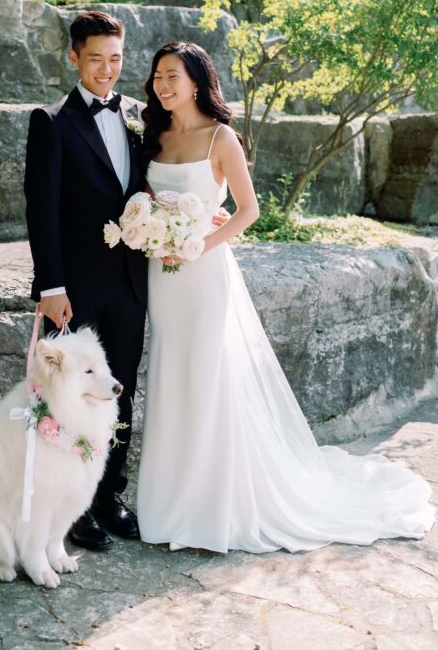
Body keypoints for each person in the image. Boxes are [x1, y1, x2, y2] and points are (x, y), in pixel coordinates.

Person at [137, 40, 435, 553]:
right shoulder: (155, 133)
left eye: (173, 76)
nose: (163, 85)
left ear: (195, 80)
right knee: (170, 370)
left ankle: (213, 504)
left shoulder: (220, 137)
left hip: (203, 272)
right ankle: (169, 499)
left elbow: (246, 210)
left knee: (207, 376)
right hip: (161, 277)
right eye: (157, 77)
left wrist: (196, 245)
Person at [24, 9, 147, 551]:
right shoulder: (50, 121)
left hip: (130, 285)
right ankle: (68, 505)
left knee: (119, 392)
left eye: (115, 59)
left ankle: (106, 494)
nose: (106, 69)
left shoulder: (143, 116)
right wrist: (51, 287)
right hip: (72, 289)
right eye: (95, 58)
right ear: (73, 57)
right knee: (66, 397)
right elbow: (41, 209)